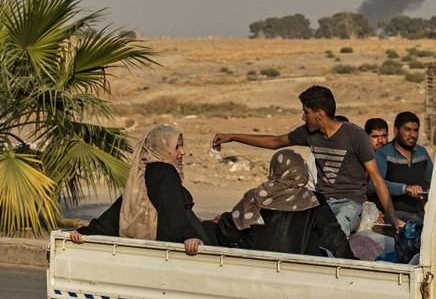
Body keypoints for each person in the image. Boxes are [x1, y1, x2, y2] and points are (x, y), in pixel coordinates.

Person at [212, 85, 401, 236]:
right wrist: (233, 137)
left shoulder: (355, 136)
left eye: (306, 112)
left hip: (349, 203)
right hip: (320, 200)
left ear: (320, 114)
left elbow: (377, 180)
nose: (303, 117)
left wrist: (393, 219)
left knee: (335, 232)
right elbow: (275, 141)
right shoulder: (309, 133)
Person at [70, 124, 211, 256]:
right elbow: (173, 209)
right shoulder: (165, 172)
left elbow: (123, 209)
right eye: (177, 147)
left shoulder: (145, 172)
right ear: (162, 147)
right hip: (172, 251)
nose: (182, 152)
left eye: (182, 146)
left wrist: (89, 230)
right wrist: (189, 236)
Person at [212, 149, 354, 258]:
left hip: (256, 264)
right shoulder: (314, 200)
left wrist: (224, 219)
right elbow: (334, 237)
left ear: (275, 169)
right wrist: (352, 263)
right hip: (300, 266)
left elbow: (227, 233)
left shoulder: (256, 195)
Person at [373, 112, 433, 221]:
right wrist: (405, 188)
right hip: (394, 214)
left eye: (415, 130)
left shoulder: (422, 152)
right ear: (396, 131)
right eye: (407, 129)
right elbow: (374, 184)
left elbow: (434, 181)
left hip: (420, 212)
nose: (412, 134)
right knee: (417, 224)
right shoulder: (383, 154)